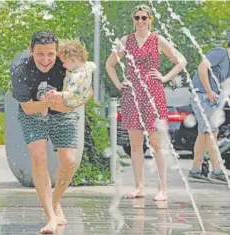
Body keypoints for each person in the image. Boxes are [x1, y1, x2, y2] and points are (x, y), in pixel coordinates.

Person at [105, 4, 187, 201]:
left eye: (144, 18)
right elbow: (109, 64)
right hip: (132, 95)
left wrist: (165, 77)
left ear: (150, 19)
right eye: (137, 18)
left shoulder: (157, 40)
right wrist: (119, 84)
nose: (140, 21)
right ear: (133, 20)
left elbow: (181, 61)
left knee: (155, 143)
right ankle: (139, 187)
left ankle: (163, 188)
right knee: (135, 145)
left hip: (153, 94)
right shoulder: (125, 41)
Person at [10, 30, 87, 234]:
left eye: (50, 54)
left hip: (62, 112)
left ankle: (55, 202)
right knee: (38, 155)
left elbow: (87, 91)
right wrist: (47, 101)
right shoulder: (20, 70)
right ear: (31, 51)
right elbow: (27, 107)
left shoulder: (66, 64)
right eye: (40, 54)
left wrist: (70, 103)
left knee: (69, 161)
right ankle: (51, 217)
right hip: (33, 113)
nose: (46, 60)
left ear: (57, 52)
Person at [188, 32, 230, 183]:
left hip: (209, 99)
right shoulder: (220, 53)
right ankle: (217, 171)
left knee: (205, 133)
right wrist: (208, 90)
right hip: (201, 95)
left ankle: (195, 170)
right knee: (212, 131)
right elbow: (201, 68)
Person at [44, 39, 96, 109]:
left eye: (64, 62)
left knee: (49, 101)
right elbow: (94, 66)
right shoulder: (88, 65)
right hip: (84, 96)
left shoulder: (75, 76)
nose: (63, 65)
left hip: (72, 101)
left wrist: (58, 94)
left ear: (72, 60)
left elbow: (69, 93)